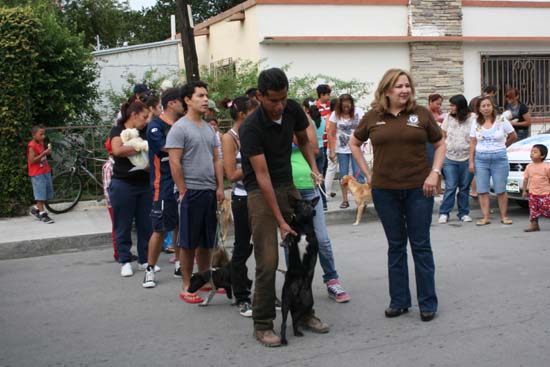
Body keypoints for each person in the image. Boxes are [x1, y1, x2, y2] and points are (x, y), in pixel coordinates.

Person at [240, 67, 327, 347]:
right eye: (273, 100)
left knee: (302, 255)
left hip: (289, 185)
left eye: (283, 99)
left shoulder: (291, 109)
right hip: (260, 193)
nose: (279, 106)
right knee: (268, 262)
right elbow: (262, 177)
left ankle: (303, 313)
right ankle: (263, 324)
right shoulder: (251, 128)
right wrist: (281, 221)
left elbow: (303, 139)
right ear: (259, 96)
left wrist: (314, 168)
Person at [350, 68, 445, 322]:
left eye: (407, 86)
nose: (405, 90)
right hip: (384, 191)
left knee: (421, 245)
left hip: (419, 189)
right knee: (395, 246)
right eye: (399, 86)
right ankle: (399, 301)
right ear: (386, 90)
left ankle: (427, 303)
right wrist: (367, 173)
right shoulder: (372, 117)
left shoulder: (421, 114)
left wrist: (434, 173)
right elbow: (354, 143)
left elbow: (439, 144)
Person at [166, 81, 225, 304]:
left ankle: (204, 279)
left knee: (206, 241)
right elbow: (174, 162)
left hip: (209, 191)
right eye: (200, 95)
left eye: (206, 95)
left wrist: (220, 187)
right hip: (190, 191)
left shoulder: (209, 128)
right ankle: (186, 286)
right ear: (188, 100)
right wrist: (183, 190)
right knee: (188, 242)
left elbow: (216, 160)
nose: (205, 99)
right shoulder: (179, 128)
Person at [290, 107, 350, 303]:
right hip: (287, 192)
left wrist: (293, 137)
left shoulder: (302, 120)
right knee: (291, 240)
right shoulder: (271, 123)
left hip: (309, 187)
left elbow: (315, 150)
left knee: (322, 239)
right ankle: (296, 284)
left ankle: (332, 280)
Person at [142, 88, 186, 288]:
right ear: (171, 103)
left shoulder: (182, 124)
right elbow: (167, 148)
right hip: (164, 185)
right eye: (180, 102)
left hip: (183, 183)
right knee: (159, 229)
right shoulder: (155, 126)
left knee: (179, 226)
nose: (184, 105)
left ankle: (179, 265)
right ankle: (149, 269)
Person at [221, 95, 258, 317]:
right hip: (243, 198)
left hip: (261, 195)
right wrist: (256, 164)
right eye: (254, 112)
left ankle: (264, 294)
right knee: (242, 247)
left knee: (265, 247)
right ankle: (242, 296)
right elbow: (232, 174)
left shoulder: (255, 133)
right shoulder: (230, 138)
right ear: (243, 114)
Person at [109, 100, 152, 277]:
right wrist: (139, 148)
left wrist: (138, 151)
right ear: (133, 115)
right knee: (123, 224)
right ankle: (125, 260)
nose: (146, 121)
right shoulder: (117, 130)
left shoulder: (145, 132)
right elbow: (117, 150)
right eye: (144, 117)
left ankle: (144, 260)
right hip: (123, 184)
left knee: (146, 225)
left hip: (144, 184)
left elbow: (152, 150)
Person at [469, 96, 517, 226]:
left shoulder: (501, 120)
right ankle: (485, 217)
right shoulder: (476, 122)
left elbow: (513, 135)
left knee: (500, 189)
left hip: (499, 159)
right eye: (483, 106)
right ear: (479, 109)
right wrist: (471, 161)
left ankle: (504, 216)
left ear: (492, 106)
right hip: (481, 159)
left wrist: (503, 146)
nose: (486, 108)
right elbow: (473, 142)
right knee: (482, 189)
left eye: (488, 105)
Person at [438, 95, 476, 223]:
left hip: (467, 157)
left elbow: (474, 138)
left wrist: (472, 159)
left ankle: (463, 213)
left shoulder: (472, 118)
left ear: (460, 106)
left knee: (464, 187)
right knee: (451, 186)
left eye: (453, 105)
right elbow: (442, 134)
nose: (451, 108)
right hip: (450, 157)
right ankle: (444, 213)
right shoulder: (448, 117)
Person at [328, 94, 365, 209]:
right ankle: (345, 200)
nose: (346, 109)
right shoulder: (335, 114)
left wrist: (365, 141)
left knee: (358, 174)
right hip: (342, 149)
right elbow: (331, 133)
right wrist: (332, 151)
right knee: (343, 175)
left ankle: (361, 200)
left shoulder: (359, 111)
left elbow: (366, 127)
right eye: (344, 107)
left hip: (356, 147)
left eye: (348, 107)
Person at [303, 97, 328, 211]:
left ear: (305, 108)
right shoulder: (322, 119)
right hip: (322, 148)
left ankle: (315, 201)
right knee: (320, 175)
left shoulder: (307, 122)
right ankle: (324, 202)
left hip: (311, 150)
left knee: (312, 176)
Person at [28, 125, 54, 224]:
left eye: (44, 134)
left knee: (46, 192)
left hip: (45, 170)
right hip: (37, 173)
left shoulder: (41, 143)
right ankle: (43, 214)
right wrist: (44, 153)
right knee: (40, 194)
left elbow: (42, 155)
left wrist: (47, 152)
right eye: (41, 134)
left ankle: (35, 209)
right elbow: (32, 160)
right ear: (34, 135)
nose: (43, 136)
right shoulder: (31, 146)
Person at [522, 144, 550, 232]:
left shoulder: (547, 167)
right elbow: (525, 179)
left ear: (542, 156)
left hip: (545, 193)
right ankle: (534, 225)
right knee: (533, 210)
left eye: (535, 152)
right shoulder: (529, 166)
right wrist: (524, 190)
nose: (532, 153)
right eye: (531, 151)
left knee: (547, 209)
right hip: (533, 193)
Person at [102, 139, 118, 260]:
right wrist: (112, 203)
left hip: (117, 201)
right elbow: (108, 188)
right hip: (113, 203)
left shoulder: (116, 164)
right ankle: (117, 253)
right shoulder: (109, 166)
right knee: (117, 227)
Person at [324, 98, 339, 198]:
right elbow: (330, 134)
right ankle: (326, 193)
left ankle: (326, 193)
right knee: (331, 170)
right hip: (334, 147)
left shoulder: (329, 116)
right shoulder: (333, 117)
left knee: (331, 170)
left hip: (335, 147)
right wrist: (332, 151)